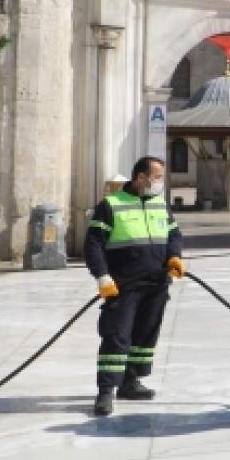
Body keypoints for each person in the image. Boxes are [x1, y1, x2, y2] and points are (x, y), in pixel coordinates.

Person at [84, 156, 185, 417]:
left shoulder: (160, 204)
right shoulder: (111, 205)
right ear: (141, 177)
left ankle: (130, 381)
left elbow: (174, 234)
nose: (160, 182)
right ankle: (106, 390)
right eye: (157, 177)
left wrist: (174, 256)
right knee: (117, 335)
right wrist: (102, 276)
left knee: (144, 335)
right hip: (123, 285)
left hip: (156, 283)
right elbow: (93, 244)